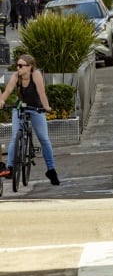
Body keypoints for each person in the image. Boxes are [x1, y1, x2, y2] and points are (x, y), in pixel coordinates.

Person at [0, 55, 59, 184]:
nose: (18, 68)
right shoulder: (16, 76)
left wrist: (46, 107)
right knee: (15, 136)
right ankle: (10, 168)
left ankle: (51, 170)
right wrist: (2, 100)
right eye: (17, 65)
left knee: (44, 138)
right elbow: (8, 90)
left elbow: (42, 93)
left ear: (29, 67)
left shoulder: (36, 75)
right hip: (20, 107)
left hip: (36, 108)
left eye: (21, 66)